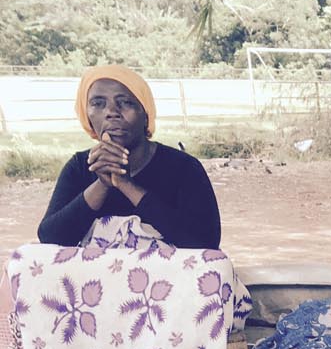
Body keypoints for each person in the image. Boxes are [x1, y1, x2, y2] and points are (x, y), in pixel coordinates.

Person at [37, 65, 221, 249]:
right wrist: (102, 184)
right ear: (87, 116)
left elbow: (205, 242)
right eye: (98, 103)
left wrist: (126, 184)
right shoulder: (80, 167)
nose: (112, 112)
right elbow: (50, 239)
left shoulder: (182, 168)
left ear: (146, 115)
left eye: (125, 102)